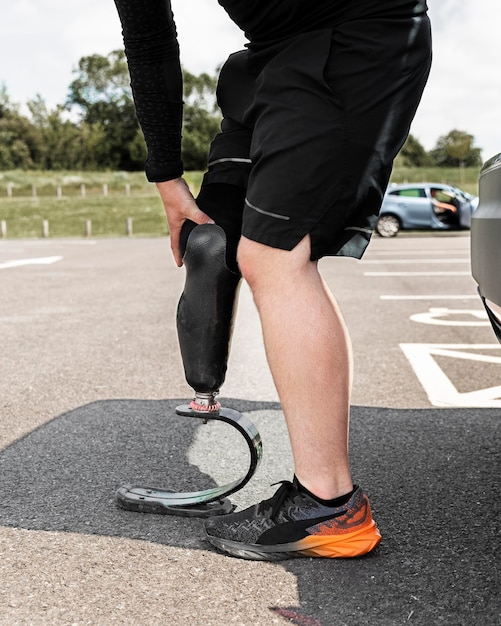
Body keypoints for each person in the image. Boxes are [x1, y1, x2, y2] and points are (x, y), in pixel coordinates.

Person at [113, 0, 432, 561]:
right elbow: (147, 35)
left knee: (273, 256)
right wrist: (166, 175)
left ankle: (329, 506)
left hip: (354, 32)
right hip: (266, 56)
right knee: (211, 242)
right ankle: (207, 396)